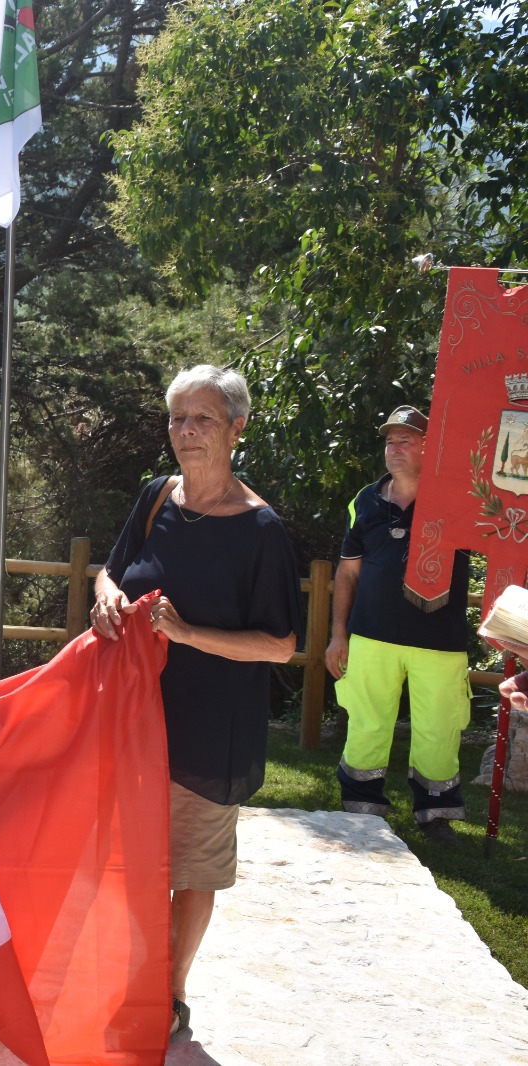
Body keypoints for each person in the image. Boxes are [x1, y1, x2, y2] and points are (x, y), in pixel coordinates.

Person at [91, 364, 302, 1041]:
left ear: (236, 429)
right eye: (178, 418)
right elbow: (111, 570)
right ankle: (131, 976)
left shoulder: (260, 529)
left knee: (191, 871)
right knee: (133, 862)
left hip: (213, 732)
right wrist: (106, 599)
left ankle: (170, 993)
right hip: (136, 721)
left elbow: (280, 646)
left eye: (202, 418)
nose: (186, 431)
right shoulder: (157, 497)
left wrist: (187, 635)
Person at [327, 406, 471, 844]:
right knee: (366, 723)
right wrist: (338, 634)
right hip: (371, 636)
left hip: (440, 640)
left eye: (405, 440)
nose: (394, 448)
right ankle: (360, 810)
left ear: (430, 447)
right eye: (390, 441)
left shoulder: (460, 499)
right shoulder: (364, 501)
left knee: (438, 729)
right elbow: (348, 572)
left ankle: (436, 815)